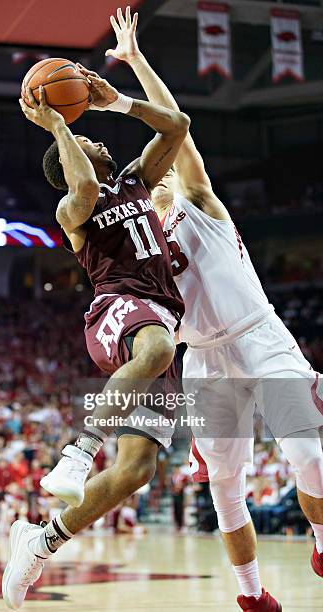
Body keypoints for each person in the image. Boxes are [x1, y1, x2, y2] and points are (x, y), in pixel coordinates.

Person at [110, 7, 323, 611]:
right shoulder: (141, 250)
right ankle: (251, 597)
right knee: (225, 487)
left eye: (163, 172)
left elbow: (178, 128)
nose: (159, 179)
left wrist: (133, 64)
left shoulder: (200, 203)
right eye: (149, 179)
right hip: (203, 360)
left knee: (309, 455)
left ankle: (322, 541)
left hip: (260, 336)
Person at [2, 42, 190, 610]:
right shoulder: (72, 212)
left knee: (136, 471)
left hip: (158, 317)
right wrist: (59, 126)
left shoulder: (134, 179)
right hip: (117, 311)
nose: (96, 137)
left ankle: (40, 541)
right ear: (68, 158)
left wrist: (117, 104)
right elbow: (81, 187)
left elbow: (178, 126)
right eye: (86, 140)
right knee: (155, 347)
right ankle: (80, 451)